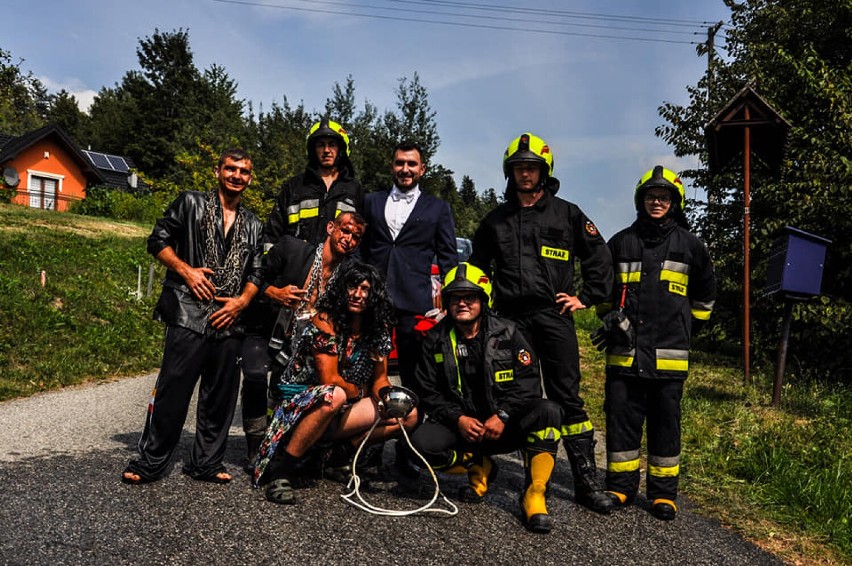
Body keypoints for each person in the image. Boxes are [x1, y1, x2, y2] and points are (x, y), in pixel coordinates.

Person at [469, 133, 615, 514]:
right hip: (509, 321)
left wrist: (588, 297)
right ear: (509, 172)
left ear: (544, 171)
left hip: (555, 317)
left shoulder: (567, 213)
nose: (525, 174)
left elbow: (598, 256)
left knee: (568, 398)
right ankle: (518, 473)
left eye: (531, 167)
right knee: (514, 395)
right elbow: (475, 269)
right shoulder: (495, 220)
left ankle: (586, 484)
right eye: (519, 168)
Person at [122, 148, 264, 485]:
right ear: (217, 171)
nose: (237, 176)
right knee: (173, 391)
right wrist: (186, 271)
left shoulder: (255, 224)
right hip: (188, 310)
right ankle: (151, 461)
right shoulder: (190, 203)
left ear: (250, 177)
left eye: (244, 171)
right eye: (231, 169)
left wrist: (242, 303)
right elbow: (156, 240)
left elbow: (258, 272)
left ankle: (206, 462)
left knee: (220, 398)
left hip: (230, 318)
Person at [594, 166, 716, 520]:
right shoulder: (620, 243)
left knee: (666, 426)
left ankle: (663, 495)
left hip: (669, 358)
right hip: (625, 356)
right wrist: (610, 318)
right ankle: (620, 487)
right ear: (641, 201)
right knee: (622, 421)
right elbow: (604, 290)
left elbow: (706, 294)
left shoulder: (691, 246)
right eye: (651, 197)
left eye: (664, 198)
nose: (657, 202)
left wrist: (689, 327)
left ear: (674, 203)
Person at [410, 263, 563, 533]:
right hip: (465, 429)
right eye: (455, 298)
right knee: (419, 446)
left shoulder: (510, 333)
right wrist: (457, 419)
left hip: (505, 426)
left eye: (470, 297)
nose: (462, 303)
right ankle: (478, 465)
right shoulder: (434, 339)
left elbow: (528, 385)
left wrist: (503, 415)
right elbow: (428, 391)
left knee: (549, 411)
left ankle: (534, 495)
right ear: (446, 302)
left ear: (483, 299)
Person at [253, 262, 419, 505]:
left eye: (365, 289)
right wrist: (362, 392)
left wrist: (385, 398)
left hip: (342, 403)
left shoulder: (377, 328)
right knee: (335, 394)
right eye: (352, 286)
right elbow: (329, 380)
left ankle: (336, 457)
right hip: (301, 404)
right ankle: (281, 471)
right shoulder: (325, 320)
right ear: (341, 289)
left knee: (408, 416)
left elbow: (380, 378)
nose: (358, 295)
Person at [238, 212, 367, 472]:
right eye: (344, 230)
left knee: (282, 391)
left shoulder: (348, 274)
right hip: (266, 328)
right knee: (254, 375)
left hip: (304, 342)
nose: (348, 239)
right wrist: (276, 292)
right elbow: (251, 276)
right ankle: (254, 445)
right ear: (331, 228)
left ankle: (288, 443)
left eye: (355, 236)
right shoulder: (292, 248)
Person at [360, 140, 458, 474]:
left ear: (422, 169)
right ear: (392, 166)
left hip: (415, 306)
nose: (405, 169)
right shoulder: (370, 202)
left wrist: (449, 302)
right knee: (367, 375)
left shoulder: (437, 209)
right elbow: (360, 252)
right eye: (400, 163)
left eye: (412, 164)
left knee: (417, 381)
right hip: (372, 304)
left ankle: (409, 451)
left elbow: (448, 259)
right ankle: (366, 451)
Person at [264, 118, 363, 245]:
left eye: (332, 144)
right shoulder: (295, 186)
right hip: (298, 264)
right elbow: (273, 232)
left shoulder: (353, 189)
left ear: (340, 149)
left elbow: (361, 238)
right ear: (313, 150)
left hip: (339, 264)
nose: (326, 150)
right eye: (321, 145)